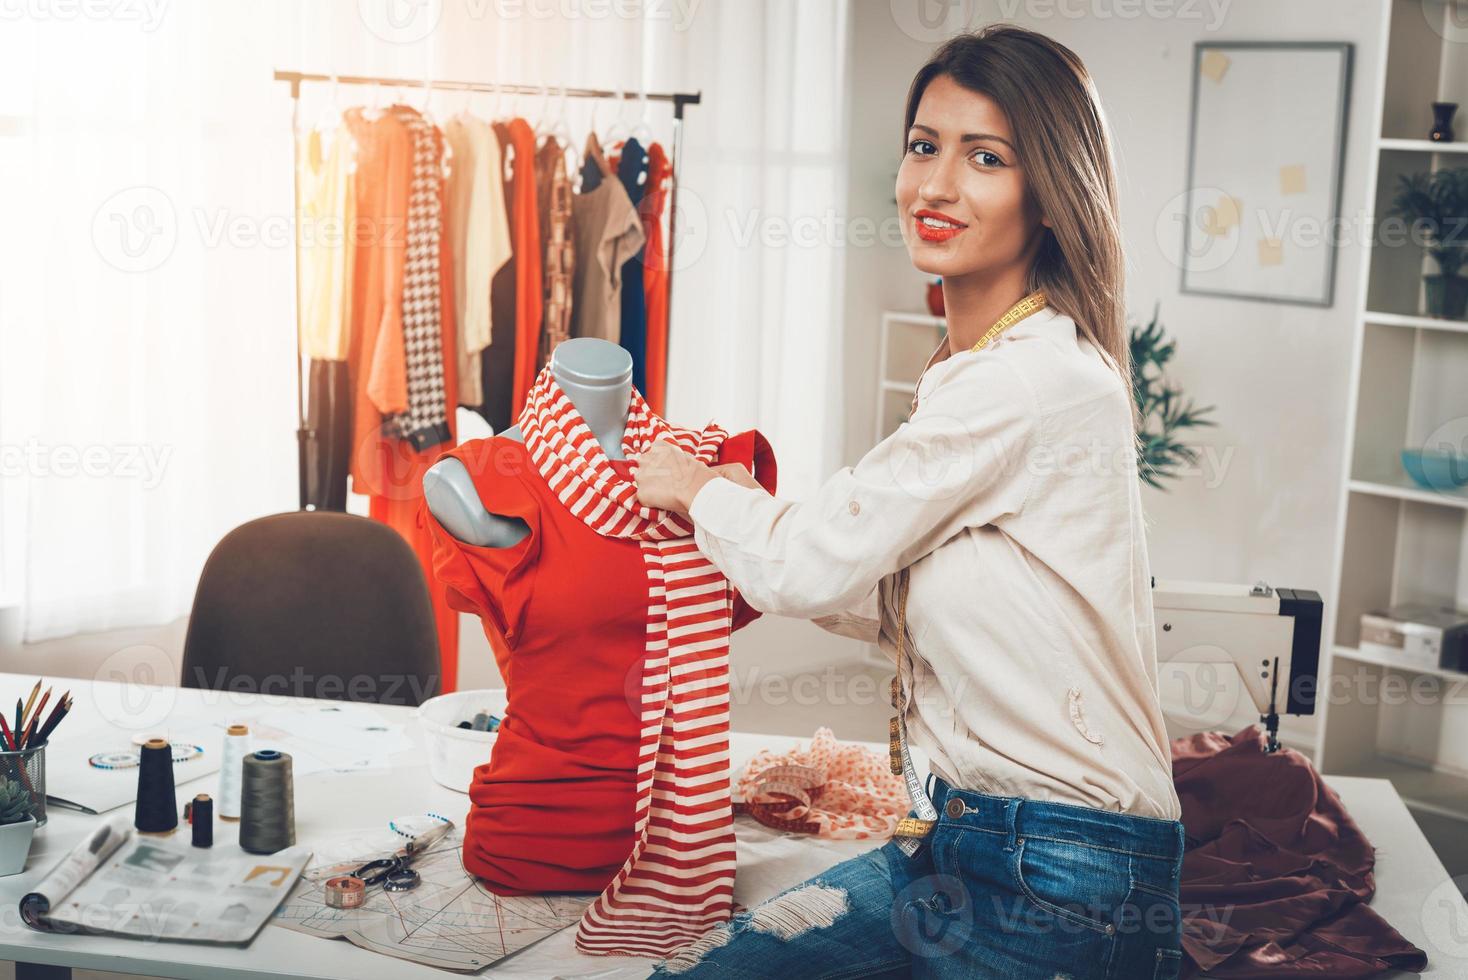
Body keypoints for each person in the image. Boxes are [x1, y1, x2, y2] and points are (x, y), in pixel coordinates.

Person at [633, 24, 1185, 980]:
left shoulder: (1028, 381)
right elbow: (903, 589)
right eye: (925, 145)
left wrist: (703, 494)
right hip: (964, 841)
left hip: (1057, 865)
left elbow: (812, 560)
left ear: (1051, 192)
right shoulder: (982, 368)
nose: (934, 185)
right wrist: (739, 540)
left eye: (986, 158)